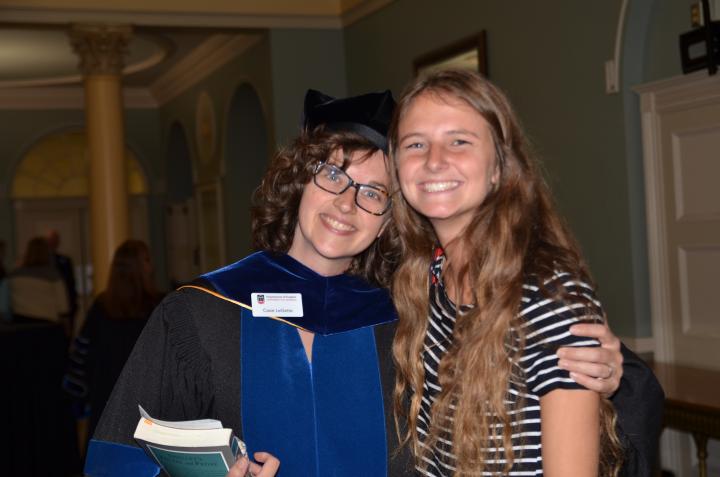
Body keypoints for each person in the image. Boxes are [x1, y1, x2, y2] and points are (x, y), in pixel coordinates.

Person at [86, 89, 626, 477]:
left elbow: (530, 361)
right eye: (333, 174)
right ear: (299, 181)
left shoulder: (409, 314)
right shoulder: (200, 313)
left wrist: (606, 364)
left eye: (374, 192)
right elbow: (118, 457)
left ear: (391, 216)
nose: (348, 203)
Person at [388, 69, 663, 476]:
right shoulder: (427, 278)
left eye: (459, 141)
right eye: (416, 143)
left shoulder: (546, 292)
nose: (434, 160)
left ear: (499, 166)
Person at [63, 240, 164, 453]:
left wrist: (81, 399)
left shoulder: (101, 308)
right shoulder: (157, 308)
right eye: (146, 260)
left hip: (106, 405)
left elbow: (81, 358)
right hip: (148, 406)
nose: (151, 265)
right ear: (137, 267)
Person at [8, 236, 69, 323]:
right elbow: (63, 305)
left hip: (21, 322)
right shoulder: (53, 275)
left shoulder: (15, 275)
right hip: (46, 322)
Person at [47, 229, 78, 335]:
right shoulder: (43, 263)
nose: (53, 243)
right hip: (51, 309)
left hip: (68, 305)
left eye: (55, 240)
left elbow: (71, 283)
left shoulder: (65, 260)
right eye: (50, 240)